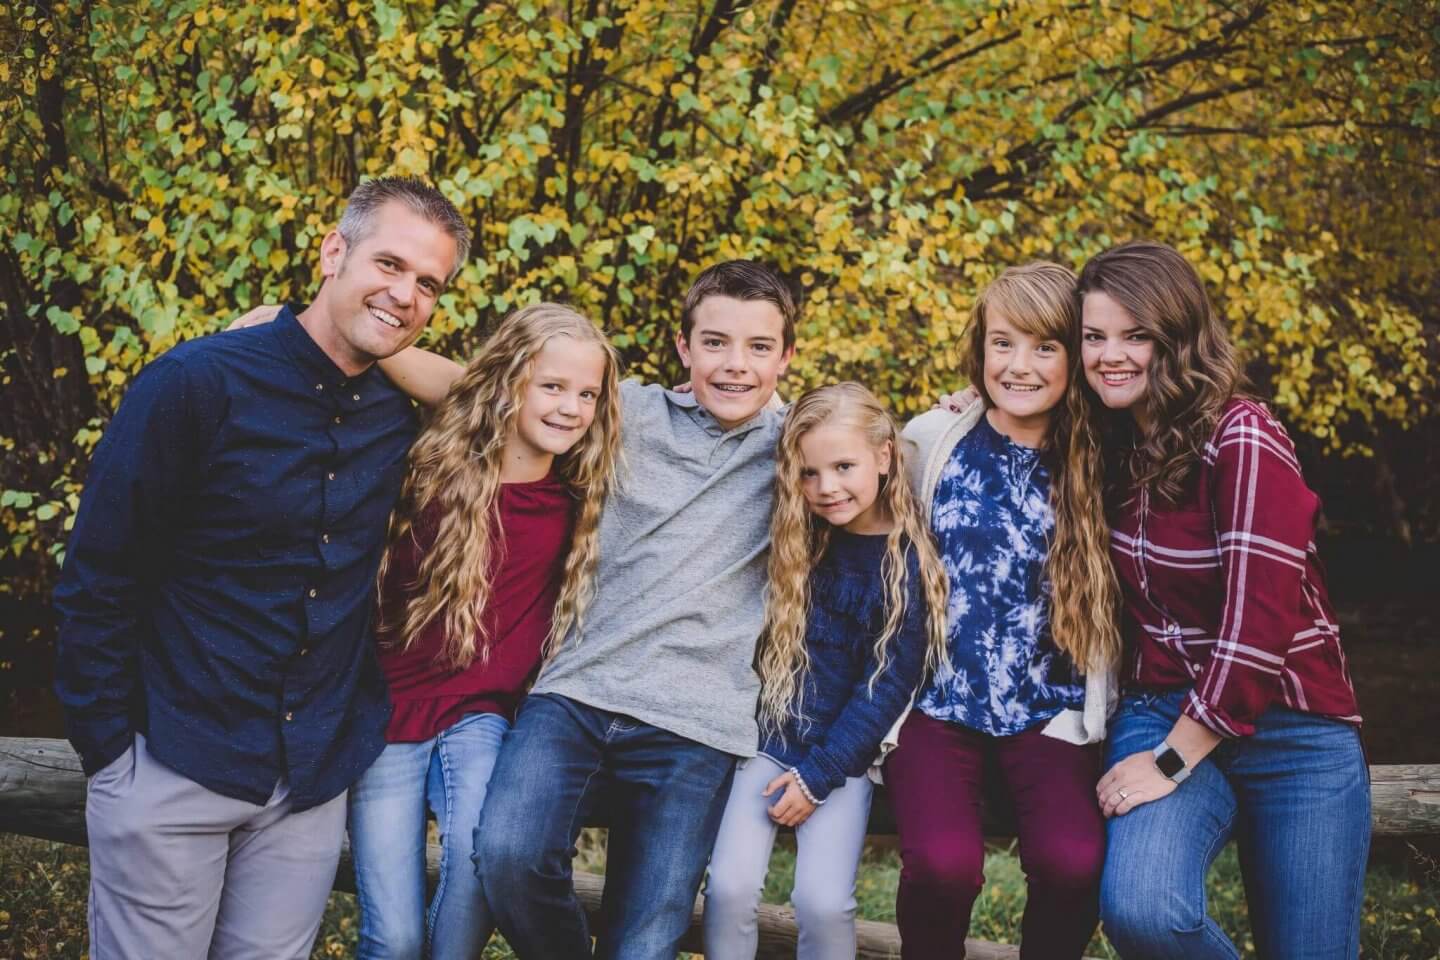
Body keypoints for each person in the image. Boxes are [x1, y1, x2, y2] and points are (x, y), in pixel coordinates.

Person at [52, 176, 470, 959]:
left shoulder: (399, 416)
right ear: (332, 251)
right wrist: (110, 758)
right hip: (170, 760)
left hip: (306, 786)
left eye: (428, 284)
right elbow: (97, 577)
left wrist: (393, 356)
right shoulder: (197, 383)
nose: (404, 294)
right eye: (388, 264)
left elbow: (519, 401)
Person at [369, 260, 797, 959]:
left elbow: (871, 459)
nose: (735, 365)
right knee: (505, 853)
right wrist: (322, 333)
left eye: (758, 348)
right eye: (714, 342)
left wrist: (980, 406)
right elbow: (479, 390)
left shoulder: (793, 446)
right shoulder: (625, 412)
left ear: (786, 356)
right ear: (684, 347)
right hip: (576, 692)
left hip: (698, 721)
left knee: (646, 936)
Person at [1075, 241, 1368, 959]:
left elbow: (1256, 628)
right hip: (1162, 706)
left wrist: (1170, 763)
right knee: (1143, 911)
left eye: (1134, 335)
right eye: (1093, 336)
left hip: (1293, 728)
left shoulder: (1242, 435)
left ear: (1176, 338)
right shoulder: (1104, 441)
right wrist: (968, 405)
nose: (1110, 355)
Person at [347, 304, 621, 959]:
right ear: (508, 382)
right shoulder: (430, 472)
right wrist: (308, 323)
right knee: (393, 935)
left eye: (587, 394)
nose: (570, 407)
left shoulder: (578, 499)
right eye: (552, 387)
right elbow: (448, 377)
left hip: (481, 715)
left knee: (473, 890)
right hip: (385, 715)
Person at [886, 262, 1119, 959]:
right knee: (942, 865)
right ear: (978, 349)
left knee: (1073, 860)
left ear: (1075, 357)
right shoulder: (933, 438)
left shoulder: (1103, 453)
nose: (1019, 365)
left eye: (1045, 347)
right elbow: (841, 488)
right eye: (1002, 343)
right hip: (938, 698)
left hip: (1051, 705)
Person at [701, 382, 950, 960]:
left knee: (822, 903)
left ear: (885, 455)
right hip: (767, 740)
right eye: (809, 473)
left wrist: (819, 776)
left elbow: (886, 687)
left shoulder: (909, 562)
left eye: (843, 466)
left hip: (845, 757)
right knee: (731, 887)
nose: (826, 487)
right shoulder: (801, 537)